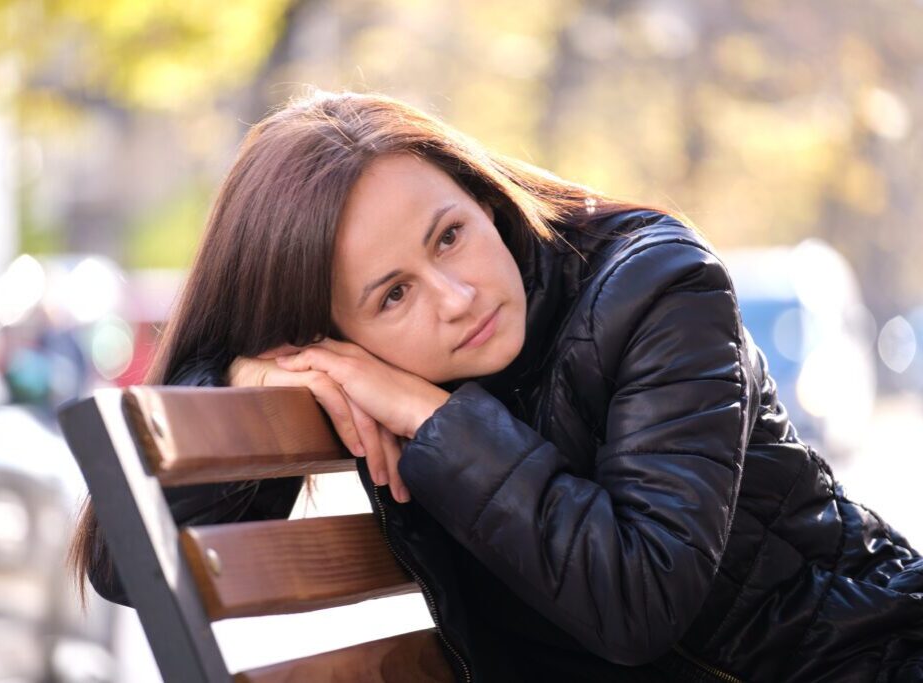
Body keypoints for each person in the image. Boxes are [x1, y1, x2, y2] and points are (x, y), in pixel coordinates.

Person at [68, 90, 923, 682]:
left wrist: (431, 417)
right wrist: (245, 378)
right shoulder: (349, 378)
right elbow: (124, 563)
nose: (459, 295)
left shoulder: (657, 287)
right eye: (393, 293)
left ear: (483, 198)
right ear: (332, 337)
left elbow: (639, 595)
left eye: (449, 236)